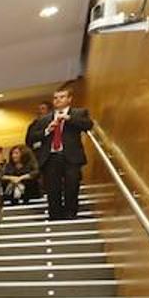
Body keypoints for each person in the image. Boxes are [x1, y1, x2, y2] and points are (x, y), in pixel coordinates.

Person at [30, 84, 93, 220]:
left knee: (72, 186)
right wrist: (47, 130)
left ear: (69, 99)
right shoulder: (44, 119)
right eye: (55, 98)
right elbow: (31, 137)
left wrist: (69, 119)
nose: (58, 100)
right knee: (53, 189)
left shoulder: (79, 113)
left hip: (71, 156)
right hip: (50, 157)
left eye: (62, 97)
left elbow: (88, 125)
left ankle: (70, 215)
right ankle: (55, 216)